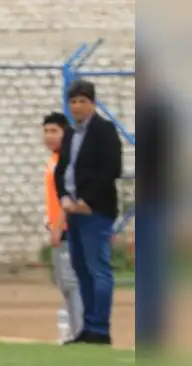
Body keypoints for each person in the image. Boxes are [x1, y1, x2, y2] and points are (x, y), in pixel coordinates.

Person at [54, 79, 123, 345]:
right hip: (73, 211)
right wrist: (64, 197)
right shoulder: (71, 134)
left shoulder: (104, 131)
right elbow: (62, 170)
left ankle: (100, 328)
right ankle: (87, 327)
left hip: (95, 211)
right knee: (81, 268)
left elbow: (111, 169)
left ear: (92, 103)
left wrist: (87, 200)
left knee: (98, 269)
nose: (77, 106)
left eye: (82, 101)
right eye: (73, 101)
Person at [42, 111, 83, 343]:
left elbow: (68, 197)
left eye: (54, 131)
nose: (49, 136)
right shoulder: (53, 161)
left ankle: (80, 331)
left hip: (67, 229)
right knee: (64, 282)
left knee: (71, 281)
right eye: (46, 131)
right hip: (57, 227)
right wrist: (48, 219)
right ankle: (74, 329)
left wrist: (58, 226)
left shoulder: (67, 161)